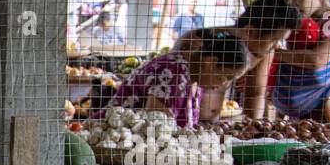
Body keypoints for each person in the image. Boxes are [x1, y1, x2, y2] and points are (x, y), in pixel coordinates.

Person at [176, 0, 300, 118]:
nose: (276, 46)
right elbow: (175, 87)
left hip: (212, 126)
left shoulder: (263, 51)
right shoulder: (199, 41)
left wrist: (252, 130)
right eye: (274, 40)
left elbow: (255, 93)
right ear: (250, 31)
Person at [98, 32, 249, 127]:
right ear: (211, 61)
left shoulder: (195, 77)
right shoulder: (172, 73)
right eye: (227, 77)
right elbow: (156, 129)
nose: (225, 84)